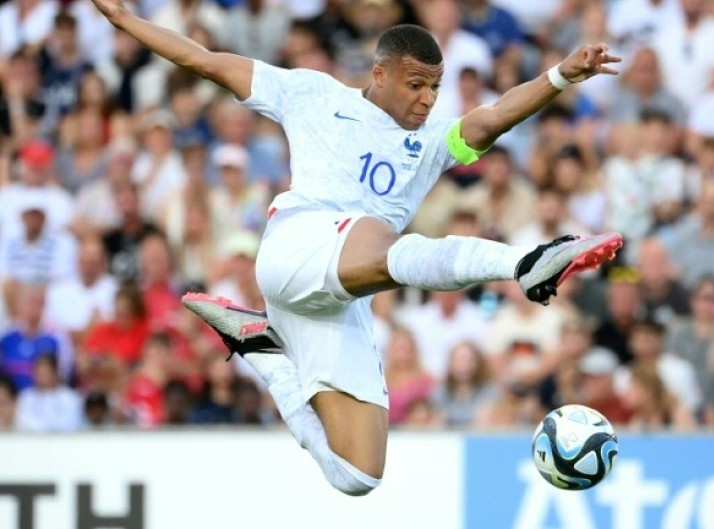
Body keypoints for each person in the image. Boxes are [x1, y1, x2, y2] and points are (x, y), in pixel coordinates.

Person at [90, 0, 623, 497]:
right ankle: (525, 263)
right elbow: (204, 60)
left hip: (342, 294)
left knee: (357, 473)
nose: (427, 99)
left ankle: (265, 351)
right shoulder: (313, 95)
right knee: (375, 231)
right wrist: (124, 20)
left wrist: (559, 76)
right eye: (416, 84)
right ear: (380, 74)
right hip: (295, 250)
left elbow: (489, 119)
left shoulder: (430, 143)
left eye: (435, 88)